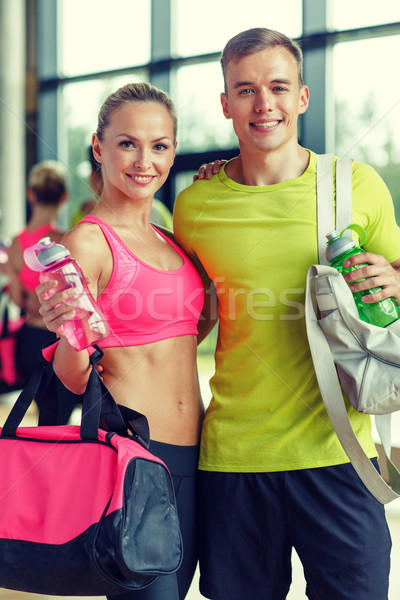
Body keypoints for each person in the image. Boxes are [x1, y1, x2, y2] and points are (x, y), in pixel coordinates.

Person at [173, 27, 400, 600]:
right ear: (224, 103)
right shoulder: (196, 205)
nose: (264, 103)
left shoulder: (356, 186)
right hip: (232, 460)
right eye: (245, 90)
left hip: (340, 453)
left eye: (278, 86)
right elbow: (189, 318)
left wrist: (393, 277)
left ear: (302, 95)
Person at [36, 82, 205, 600]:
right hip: (133, 461)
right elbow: (70, 374)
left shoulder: (171, 238)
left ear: (173, 151)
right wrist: (72, 331)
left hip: (196, 460)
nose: (144, 160)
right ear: (98, 146)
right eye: (127, 143)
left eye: (159, 146)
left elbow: (190, 330)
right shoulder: (87, 242)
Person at [6, 160, 68, 387]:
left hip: (30, 339)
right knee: (62, 418)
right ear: (64, 196)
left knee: (44, 418)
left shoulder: (15, 245)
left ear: (30, 194)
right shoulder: (64, 241)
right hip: (61, 341)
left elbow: (17, 300)